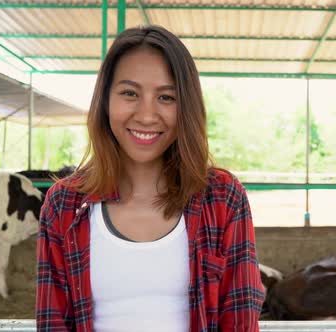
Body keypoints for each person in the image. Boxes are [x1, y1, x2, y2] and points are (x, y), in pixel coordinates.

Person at [36, 25, 265, 331]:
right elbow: (53, 323)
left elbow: (239, 322)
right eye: (129, 93)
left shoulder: (223, 198)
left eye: (166, 97)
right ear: (105, 101)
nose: (146, 115)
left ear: (187, 107)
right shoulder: (63, 205)